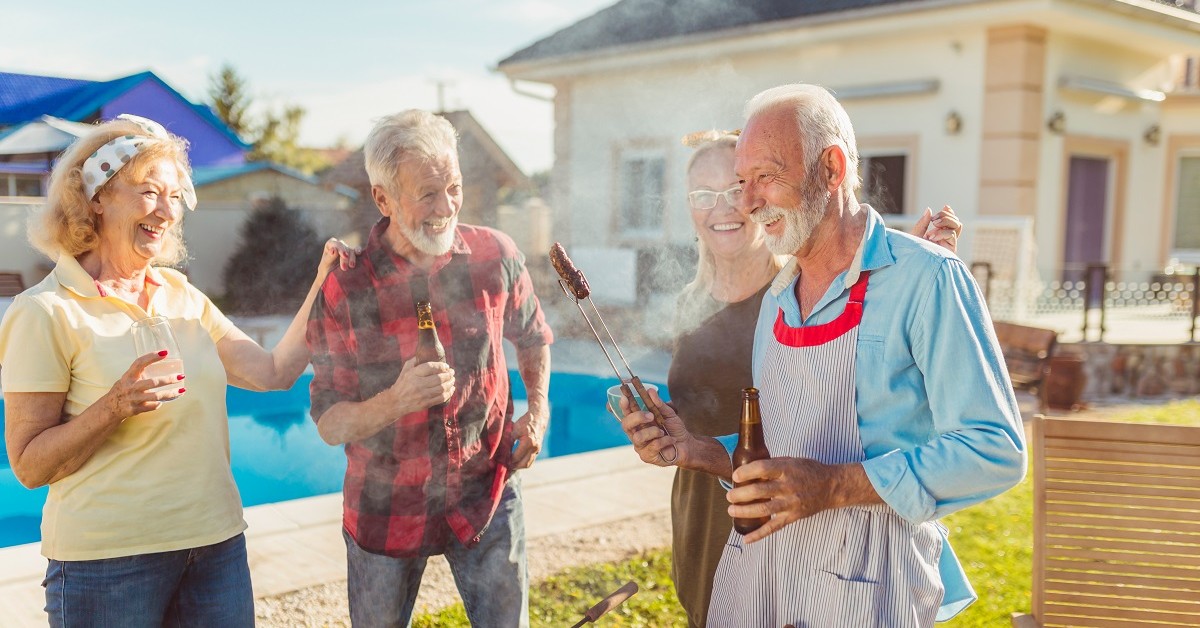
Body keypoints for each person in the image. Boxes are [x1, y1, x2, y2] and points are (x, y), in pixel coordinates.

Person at [621, 85, 1026, 627]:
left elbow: (995, 449)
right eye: (743, 183)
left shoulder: (928, 278)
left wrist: (836, 485)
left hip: (869, 591)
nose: (746, 201)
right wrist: (694, 449)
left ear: (831, 168)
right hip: (764, 585)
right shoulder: (779, 299)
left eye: (765, 177)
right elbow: (783, 450)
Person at [0, 114, 356, 628]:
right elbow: (30, 466)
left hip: (215, 548)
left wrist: (325, 284)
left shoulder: (181, 295)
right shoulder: (45, 311)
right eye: (149, 191)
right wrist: (115, 406)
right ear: (96, 197)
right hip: (106, 564)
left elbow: (274, 372)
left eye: (175, 195)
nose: (166, 210)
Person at [666, 129, 963, 627]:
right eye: (702, 194)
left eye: (737, 188)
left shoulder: (802, 297)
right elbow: (704, 403)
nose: (723, 207)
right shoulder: (686, 302)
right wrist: (664, 425)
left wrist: (907, 281)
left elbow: (886, 387)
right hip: (699, 511)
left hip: (786, 521)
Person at [305, 109, 553, 627]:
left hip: (486, 493)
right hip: (385, 508)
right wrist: (395, 401)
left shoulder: (496, 256)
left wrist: (538, 413)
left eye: (454, 188)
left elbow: (533, 338)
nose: (447, 208)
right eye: (427, 194)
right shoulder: (346, 288)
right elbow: (330, 423)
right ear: (383, 198)